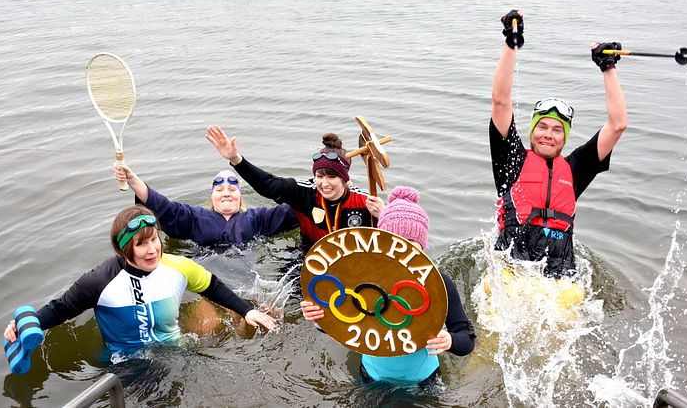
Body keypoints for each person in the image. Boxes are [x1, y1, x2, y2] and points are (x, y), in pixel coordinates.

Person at [3, 205, 277, 363]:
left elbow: (213, 287)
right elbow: (61, 308)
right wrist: (24, 324)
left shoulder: (179, 267)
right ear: (123, 250)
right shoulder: (100, 281)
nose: (152, 250)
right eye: (141, 244)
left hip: (175, 354)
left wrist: (246, 310)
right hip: (123, 363)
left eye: (154, 239)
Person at [489, 10, 628, 278]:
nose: (548, 134)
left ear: (564, 137)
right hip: (512, 262)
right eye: (542, 127)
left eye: (556, 130)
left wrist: (608, 68)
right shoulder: (512, 160)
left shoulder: (575, 168)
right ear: (532, 131)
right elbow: (500, 101)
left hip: (561, 268)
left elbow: (618, 124)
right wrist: (511, 42)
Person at [300, 186, 476, 386]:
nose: (401, 248)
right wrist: (318, 318)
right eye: (393, 240)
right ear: (381, 243)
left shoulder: (438, 282)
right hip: (372, 376)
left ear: (421, 244)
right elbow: (344, 325)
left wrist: (449, 340)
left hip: (423, 380)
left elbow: (467, 340)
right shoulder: (362, 279)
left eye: (409, 241)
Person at [205, 125, 385, 253]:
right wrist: (236, 159)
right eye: (320, 176)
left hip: (353, 262)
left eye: (332, 177)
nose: (324, 183)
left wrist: (384, 215)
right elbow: (269, 185)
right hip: (308, 258)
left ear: (345, 178)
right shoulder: (304, 192)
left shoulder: (364, 200)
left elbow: (391, 240)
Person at [113, 164, 298, 250]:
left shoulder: (258, 217)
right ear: (212, 197)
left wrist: (323, 187)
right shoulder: (194, 218)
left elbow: (295, 209)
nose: (226, 193)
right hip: (209, 273)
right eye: (219, 189)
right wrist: (132, 180)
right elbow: (163, 207)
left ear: (240, 197)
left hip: (248, 275)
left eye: (232, 189)